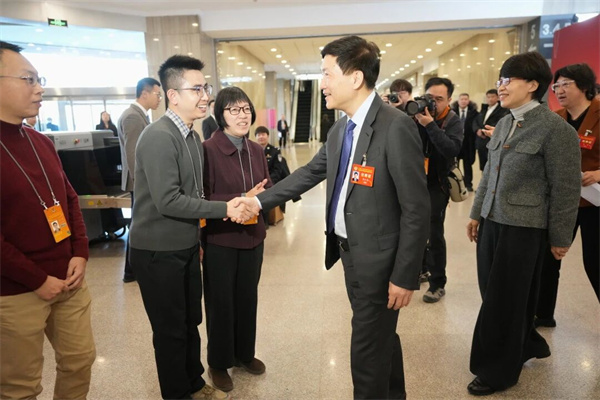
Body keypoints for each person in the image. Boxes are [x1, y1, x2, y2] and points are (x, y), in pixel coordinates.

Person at [255, 35, 430, 399]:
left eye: (327, 73)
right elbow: (309, 172)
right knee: (380, 337)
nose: (322, 84)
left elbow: (416, 208)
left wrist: (404, 275)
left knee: (366, 351)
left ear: (355, 78)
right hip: (350, 253)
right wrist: (258, 203)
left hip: (380, 262)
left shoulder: (395, 126)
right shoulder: (342, 128)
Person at [129, 54, 259, 400]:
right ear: (173, 95)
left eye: (206, 88)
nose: (205, 96)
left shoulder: (188, 134)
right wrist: (226, 208)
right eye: (197, 89)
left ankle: (194, 384)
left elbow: (194, 194)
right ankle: (178, 393)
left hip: (184, 244)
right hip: (157, 251)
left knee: (190, 323)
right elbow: (169, 200)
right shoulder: (159, 136)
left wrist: (198, 237)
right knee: (171, 330)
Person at [465, 51, 581, 396]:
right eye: (500, 79)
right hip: (492, 222)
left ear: (532, 85)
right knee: (495, 293)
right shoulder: (504, 123)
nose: (501, 86)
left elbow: (565, 189)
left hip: (524, 228)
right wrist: (476, 213)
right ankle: (526, 342)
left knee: (504, 300)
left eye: (508, 80)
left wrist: (561, 237)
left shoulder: (556, 130)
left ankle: (498, 371)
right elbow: (489, 175)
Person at [0, 40, 95, 400]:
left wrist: (80, 252)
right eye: (28, 79)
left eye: (40, 79)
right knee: (20, 386)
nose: (39, 88)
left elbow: (68, 198)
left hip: (68, 279)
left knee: (80, 361)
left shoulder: (40, 142)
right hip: (15, 290)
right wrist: (37, 279)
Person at [201, 87, 271, 393]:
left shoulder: (256, 149)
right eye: (234, 110)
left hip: (253, 237)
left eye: (246, 109)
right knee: (221, 302)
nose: (242, 116)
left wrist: (259, 200)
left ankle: (244, 353)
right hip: (222, 239)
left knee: (247, 297)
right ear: (221, 115)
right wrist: (242, 198)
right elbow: (203, 197)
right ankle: (218, 362)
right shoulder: (207, 150)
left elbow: (267, 187)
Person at [536, 63, 600, 328]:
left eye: (566, 84)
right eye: (556, 86)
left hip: (595, 202)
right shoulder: (556, 118)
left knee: (595, 262)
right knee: (549, 258)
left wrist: (599, 173)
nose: (559, 90)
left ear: (584, 86)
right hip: (563, 202)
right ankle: (543, 314)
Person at [414, 77, 463, 303]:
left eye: (439, 99)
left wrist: (430, 125)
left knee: (434, 233)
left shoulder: (452, 120)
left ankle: (437, 283)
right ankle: (421, 269)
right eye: (430, 97)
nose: (433, 103)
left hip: (437, 184)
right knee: (413, 230)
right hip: (414, 181)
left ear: (449, 100)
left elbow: (451, 149)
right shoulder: (415, 114)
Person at [117, 76, 162, 283]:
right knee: (138, 224)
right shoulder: (132, 117)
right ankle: (131, 270)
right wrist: (144, 184)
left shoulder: (140, 115)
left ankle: (135, 269)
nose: (159, 99)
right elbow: (133, 154)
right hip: (139, 183)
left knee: (140, 223)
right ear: (144, 93)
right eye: (157, 94)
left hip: (141, 181)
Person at [472, 89, 509, 171]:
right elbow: (476, 121)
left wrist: (483, 131)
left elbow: (498, 123)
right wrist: (477, 129)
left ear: (498, 97)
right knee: (483, 165)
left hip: (492, 140)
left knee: (492, 166)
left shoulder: (502, 110)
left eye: (492, 97)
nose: (490, 99)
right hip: (481, 141)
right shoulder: (484, 109)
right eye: (488, 97)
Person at [452, 93, 479, 191]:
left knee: (468, 164)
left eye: (465, 99)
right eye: (461, 99)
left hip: (468, 142)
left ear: (468, 101)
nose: (463, 101)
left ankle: (468, 184)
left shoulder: (474, 113)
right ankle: (457, 183)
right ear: (458, 101)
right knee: (455, 165)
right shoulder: (452, 112)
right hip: (456, 141)